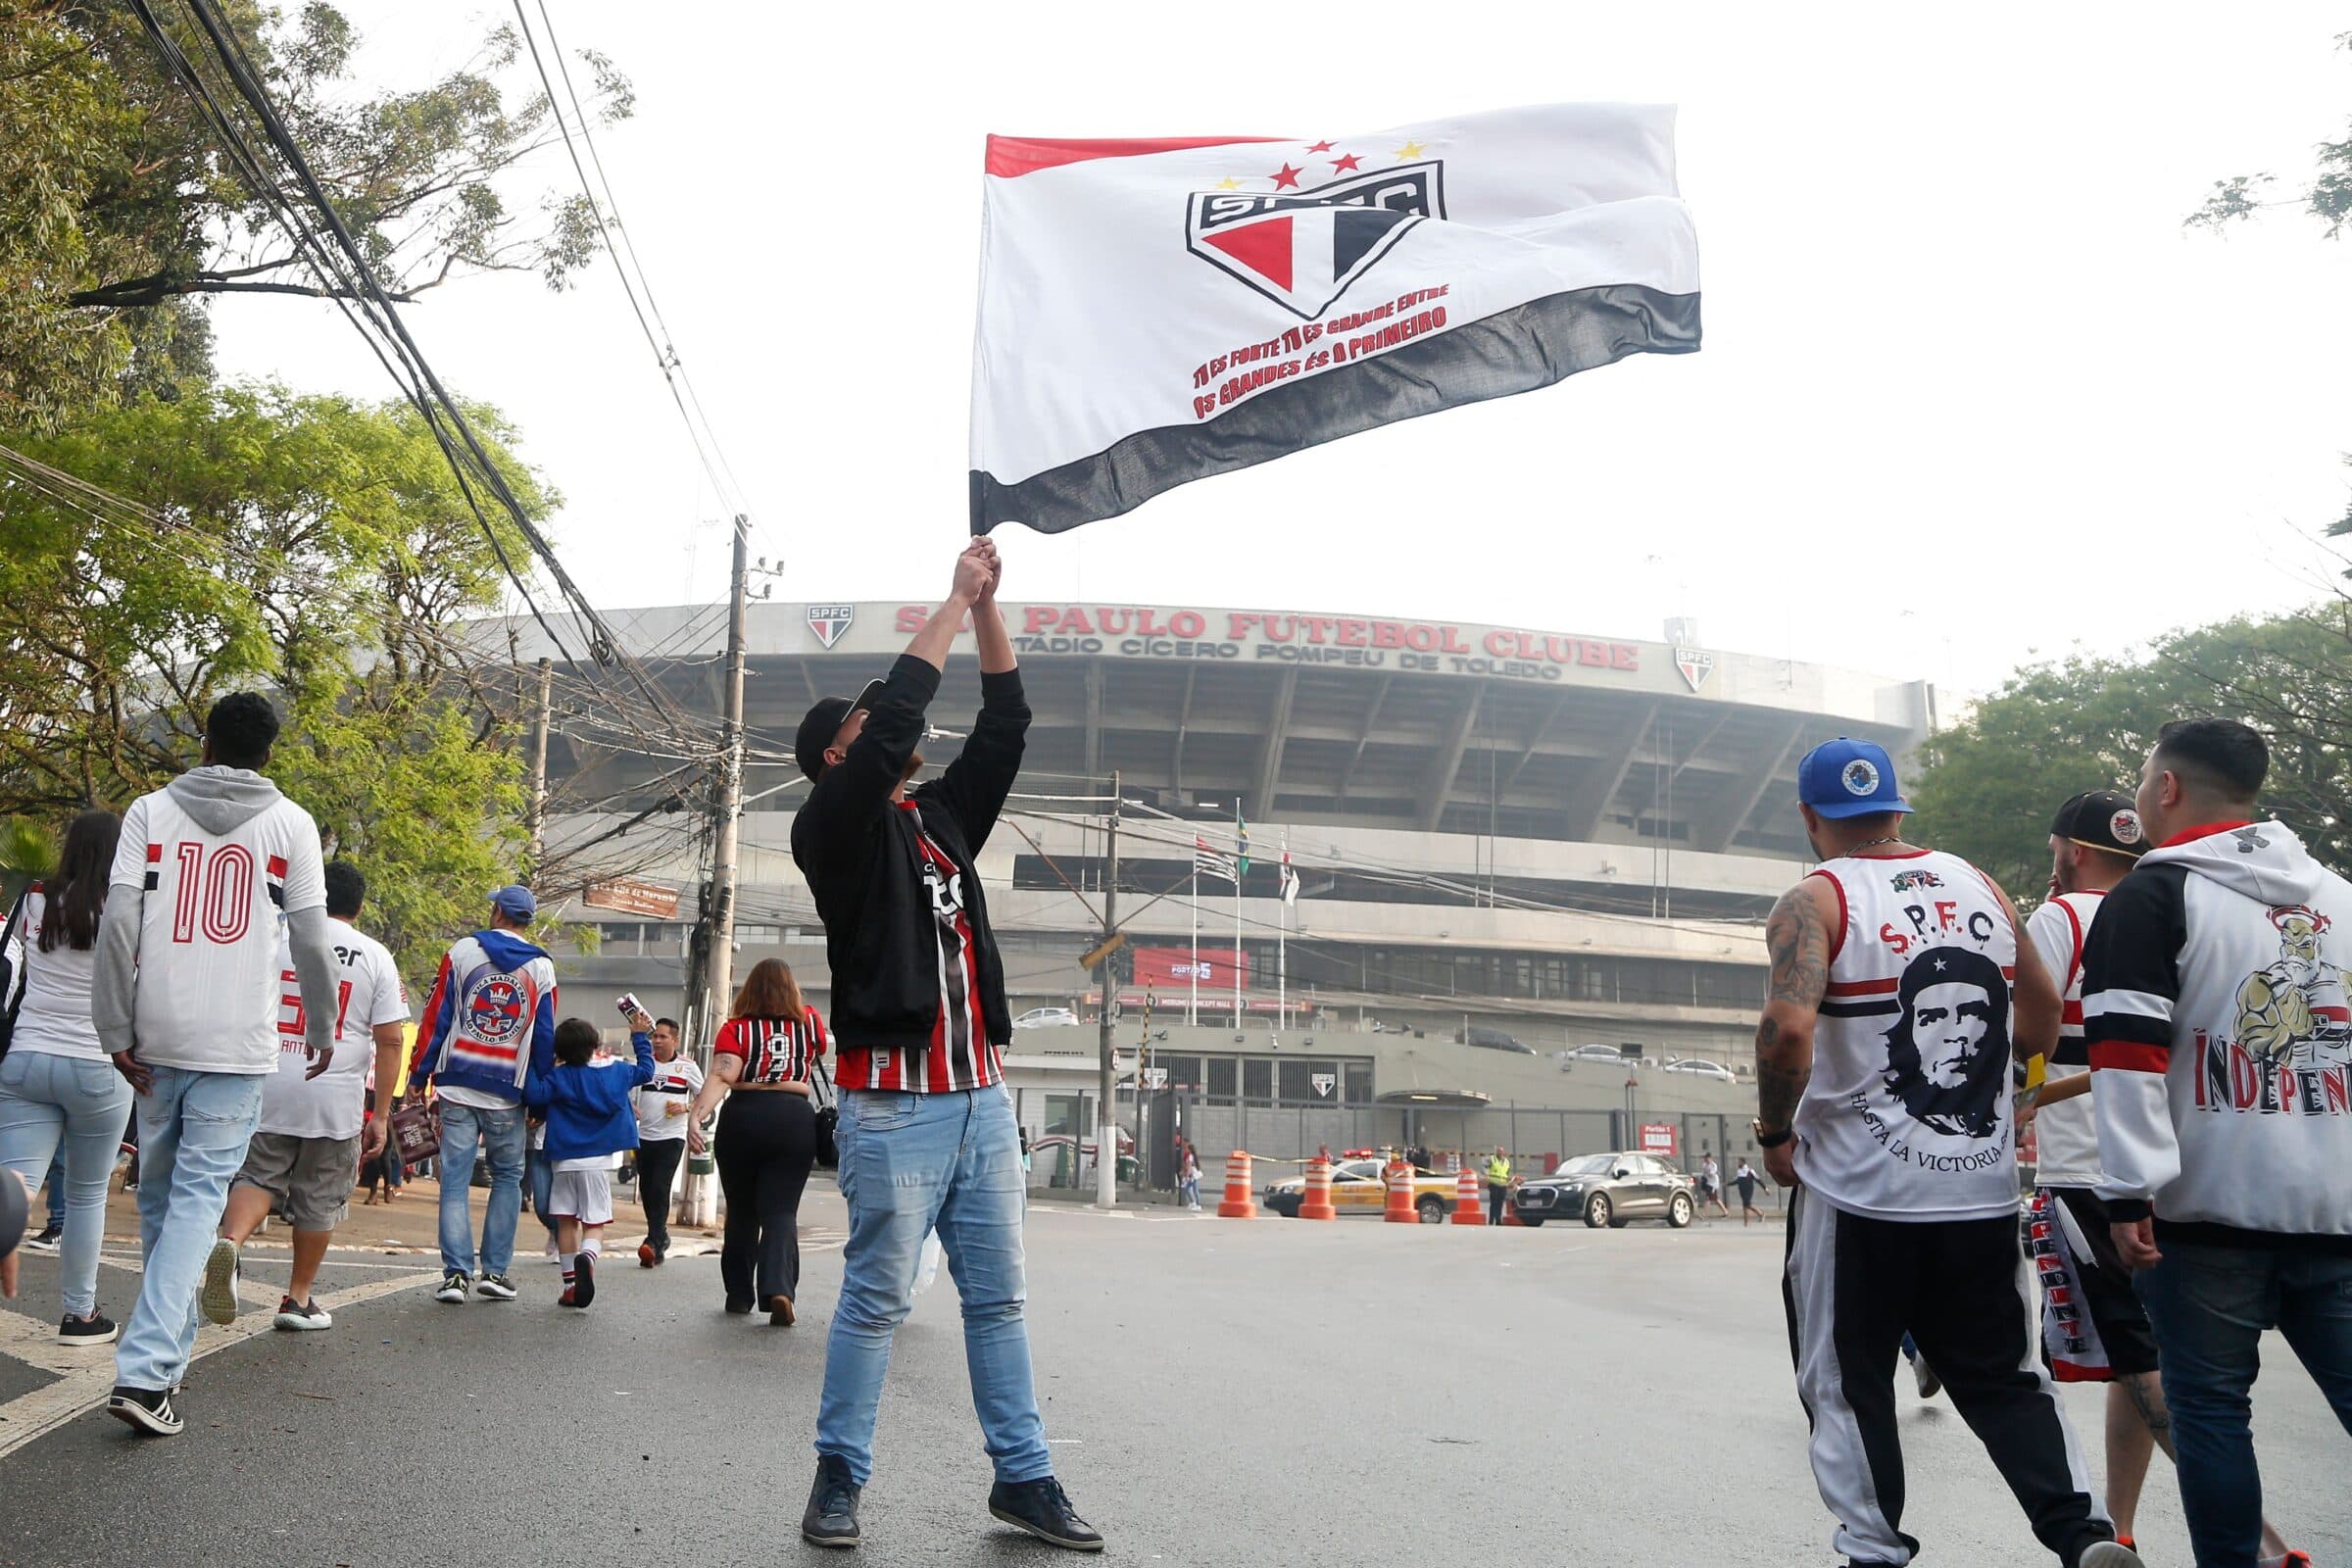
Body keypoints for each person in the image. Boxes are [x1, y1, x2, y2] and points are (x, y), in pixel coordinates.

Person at [1752, 738, 2133, 1568]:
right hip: (1979, 1197)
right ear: (1897, 812)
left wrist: (1776, 1134)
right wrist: (2010, 1085)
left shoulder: (1813, 901)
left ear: (1811, 817)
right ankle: (2085, 1536)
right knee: (2005, 1379)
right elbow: (2039, 1013)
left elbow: (1787, 1028)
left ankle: (1874, 1550)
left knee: (1848, 1387)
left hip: (1857, 1199)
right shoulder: (1977, 886)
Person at [790, 538, 1099, 1552]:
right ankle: (838, 1479)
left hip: (981, 1101)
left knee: (999, 1299)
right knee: (876, 1299)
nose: (885, 731)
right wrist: (951, 602)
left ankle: (1027, 1478)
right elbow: (893, 728)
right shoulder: (830, 827)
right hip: (894, 1105)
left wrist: (991, 610)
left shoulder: (938, 821)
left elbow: (1006, 726)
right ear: (838, 755)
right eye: (865, 726)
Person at [2084, 719, 2351, 1568]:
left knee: (2210, 1417)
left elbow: (2125, 1059)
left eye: (2140, 779)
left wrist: (2125, 1194)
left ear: (2166, 788)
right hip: (2338, 1209)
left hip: (2205, 1218)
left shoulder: (2153, 897)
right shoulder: (2341, 899)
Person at [92, 694, 340, 1437]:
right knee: (198, 1204)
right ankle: (143, 1373)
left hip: (156, 1036)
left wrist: (114, 1023)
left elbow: (116, 925)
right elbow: (312, 943)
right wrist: (321, 1024)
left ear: (205, 741)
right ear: (269, 752)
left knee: (166, 1203)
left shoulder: (147, 812)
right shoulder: (292, 825)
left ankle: (164, 1370)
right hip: (237, 1045)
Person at [202, 859, 410, 1333]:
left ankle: (231, 1242)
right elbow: (391, 1040)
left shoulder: (275, 940)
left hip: (269, 1083)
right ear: (358, 905)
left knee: (257, 1176)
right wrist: (381, 1113)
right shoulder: (374, 955)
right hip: (332, 1096)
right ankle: (297, 1300)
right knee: (320, 1197)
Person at [0, 810, 136, 1347]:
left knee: (15, 1183)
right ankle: (79, 1316)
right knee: (83, 1196)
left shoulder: (34, 898)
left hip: (27, 1058)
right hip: (100, 1066)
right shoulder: (128, 909)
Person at [409, 884, 556, 1305]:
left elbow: (436, 1017)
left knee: (453, 1182)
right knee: (507, 1178)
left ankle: (456, 1276)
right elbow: (543, 1039)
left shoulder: (462, 951)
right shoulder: (542, 968)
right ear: (526, 921)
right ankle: (495, 1271)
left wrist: (419, 1074)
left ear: (496, 913)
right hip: (508, 1092)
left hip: (456, 1083)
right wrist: (540, 1099)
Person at [685, 960, 822, 1322]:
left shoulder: (736, 1028)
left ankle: (739, 1294)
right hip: (793, 1118)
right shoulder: (809, 1021)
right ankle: (778, 1290)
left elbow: (723, 1074)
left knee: (742, 1210)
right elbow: (820, 1049)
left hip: (744, 1116)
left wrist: (697, 1116)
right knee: (780, 1211)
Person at [523, 1009, 655, 1307]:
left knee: (566, 1221)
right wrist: (638, 1036)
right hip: (597, 1162)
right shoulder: (618, 1072)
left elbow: (533, 1094)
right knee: (594, 1222)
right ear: (595, 1045)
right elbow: (647, 1070)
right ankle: (588, 1256)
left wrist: (534, 1058)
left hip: (563, 1161)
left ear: (559, 1050)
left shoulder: (557, 1078)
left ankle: (570, 1286)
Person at [632, 1016, 699, 1267]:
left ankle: (653, 1241)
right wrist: (631, 1107)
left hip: (672, 1136)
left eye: (662, 1037)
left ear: (674, 1040)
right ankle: (660, 1238)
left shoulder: (687, 1066)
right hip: (643, 1135)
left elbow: (704, 1097)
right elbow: (624, 1089)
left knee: (661, 1186)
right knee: (647, 1190)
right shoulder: (644, 1062)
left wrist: (686, 1106)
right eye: (654, 1036)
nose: (656, 1041)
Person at [1483, 1145, 1511, 1226]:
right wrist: (1486, 1175)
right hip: (1493, 1184)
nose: (1500, 1152)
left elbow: (1507, 1173)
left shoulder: (1506, 1161)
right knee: (1493, 1203)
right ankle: (1491, 1220)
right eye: (1498, 1151)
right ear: (1496, 1152)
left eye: (1501, 1151)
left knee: (1500, 1203)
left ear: (1503, 1152)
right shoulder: (1492, 1159)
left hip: (1503, 1185)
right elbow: (1484, 1167)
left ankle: (1498, 1220)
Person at [1733, 1155, 1765, 1225]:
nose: (1738, 1164)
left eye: (1739, 1162)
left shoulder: (1749, 1170)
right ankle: (1757, 1216)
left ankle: (1749, 1221)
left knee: (1746, 1205)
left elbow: (1758, 1179)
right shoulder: (1739, 1171)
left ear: (1743, 1162)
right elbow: (1737, 1181)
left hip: (1748, 1190)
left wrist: (1765, 1188)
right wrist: (1727, 1184)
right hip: (1742, 1190)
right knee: (1746, 1205)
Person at [1699, 1152, 1730, 1218]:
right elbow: (1704, 1174)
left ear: (1710, 1158)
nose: (1705, 1159)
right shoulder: (1704, 1164)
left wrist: (1708, 1170)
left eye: (1707, 1158)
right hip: (1708, 1183)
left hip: (1713, 1184)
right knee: (1716, 1199)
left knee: (1708, 1199)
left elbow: (1711, 1175)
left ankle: (1703, 1214)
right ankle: (1726, 1212)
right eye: (1705, 1158)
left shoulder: (1713, 1165)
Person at [1177, 1144, 1201, 1211]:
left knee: (1194, 1189)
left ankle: (1198, 1205)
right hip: (1193, 1175)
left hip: (1193, 1175)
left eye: (1187, 1148)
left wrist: (1187, 1175)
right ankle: (1193, 1203)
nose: (1186, 1150)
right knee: (1188, 1188)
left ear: (1190, 1149)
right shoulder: (1192, 1156)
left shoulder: (1190, 1156)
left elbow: (1189, 1166)